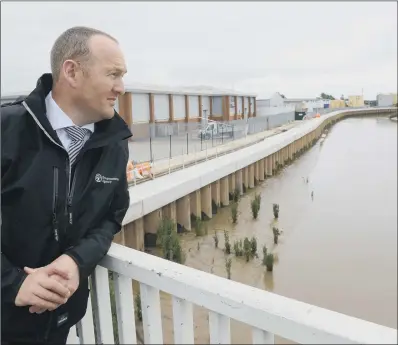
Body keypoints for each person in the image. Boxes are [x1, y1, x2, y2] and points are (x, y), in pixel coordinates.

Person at [1, 26, 132, 344]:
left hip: (60, 323)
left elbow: (109, 219)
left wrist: (77, 261)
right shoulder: (8, 130)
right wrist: (12, 284)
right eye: (113, 74)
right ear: (72, 71)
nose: (121, 87)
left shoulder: (114, 144)